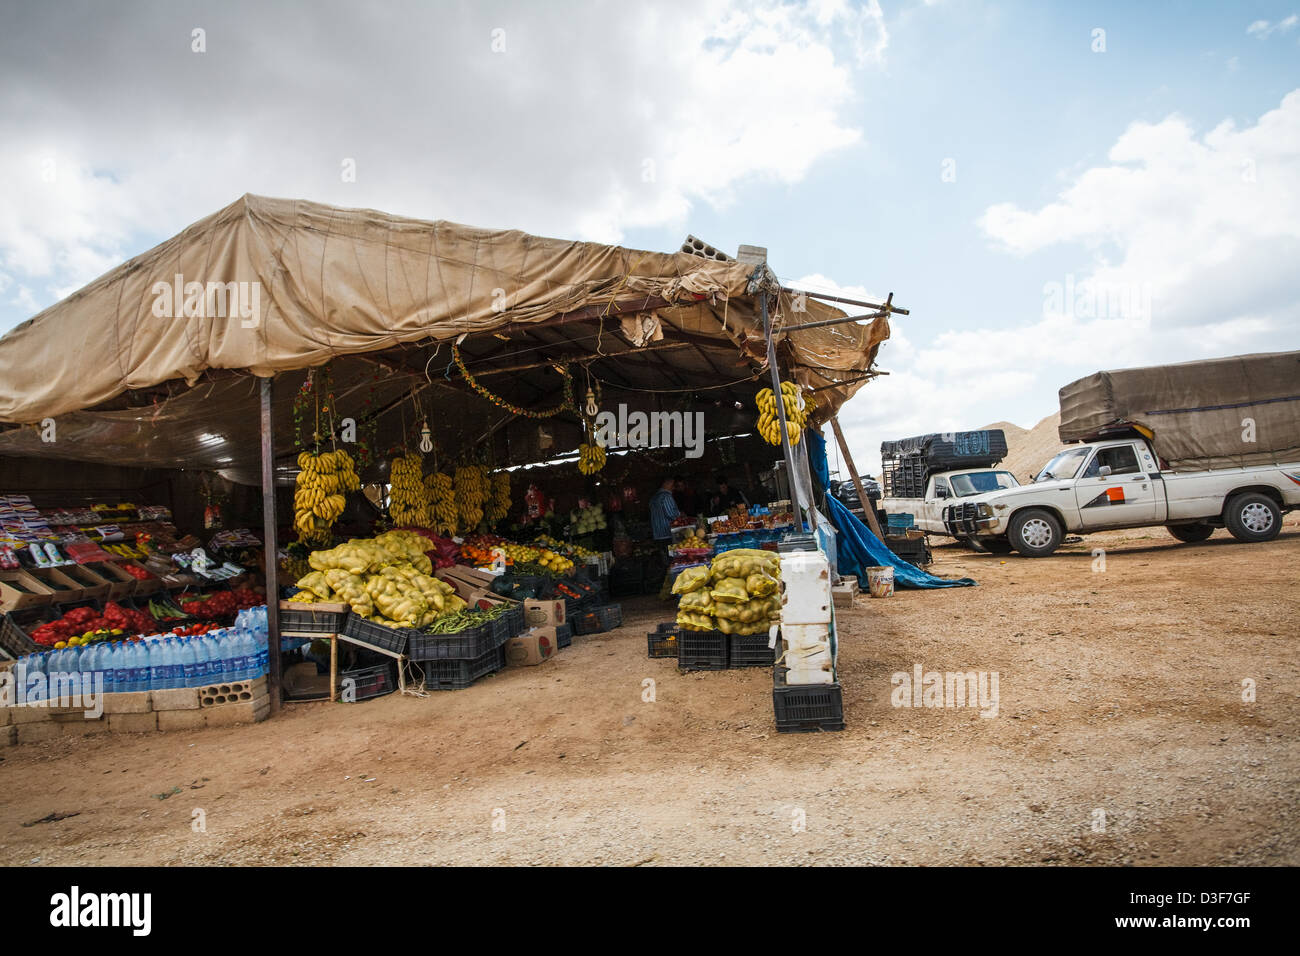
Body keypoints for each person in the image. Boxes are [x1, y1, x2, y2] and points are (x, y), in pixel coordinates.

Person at [649, 476, 681, 557]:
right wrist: (680, 515)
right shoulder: (666, 496)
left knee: (665, 557)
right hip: (667, 534)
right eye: (672, 484)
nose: (673, 487)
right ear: (666, 483)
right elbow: (671, 514)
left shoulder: (653, 497)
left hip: (658, 535)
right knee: (673, 557)